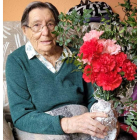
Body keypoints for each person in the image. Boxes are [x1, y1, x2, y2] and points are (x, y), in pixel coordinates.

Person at [6, 1, 118, 139]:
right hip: (44, 128)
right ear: (25, 30)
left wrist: (106, 118)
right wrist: (67, 124)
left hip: (82, 123)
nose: (45, 32)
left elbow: (92, 99)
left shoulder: (78, 56)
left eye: (50, 24)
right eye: (37, 26)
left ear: (58, 27)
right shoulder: (16, 61)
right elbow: (21, 116)